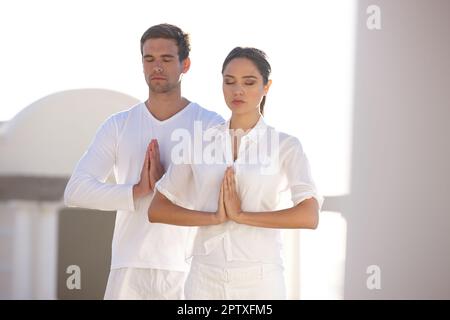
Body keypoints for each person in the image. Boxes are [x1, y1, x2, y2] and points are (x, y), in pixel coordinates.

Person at [149, 47, 323, 299]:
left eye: (249, 82)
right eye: (229, 82)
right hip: (203, 278)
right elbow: (157, 209)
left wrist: (241, 215)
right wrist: (215, 217)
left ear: (267, 86)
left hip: (261, 280)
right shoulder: (198, 143)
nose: (237, 90)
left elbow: (309, 216)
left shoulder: (285, 146)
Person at [64, 23, 223, 299]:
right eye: (149, 59)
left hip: (186, 271)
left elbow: (219, 196)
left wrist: (168, 186)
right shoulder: (119, 125)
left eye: (166, 59)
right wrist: (137, 191)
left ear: (185, 64)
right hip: (128, 270)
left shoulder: (210, 125)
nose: (156, 67)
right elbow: (75, 191)